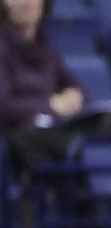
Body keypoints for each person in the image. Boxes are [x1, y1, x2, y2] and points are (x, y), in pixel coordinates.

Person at [0, 0, 88, 172]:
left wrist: (74, 96)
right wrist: (49, 106)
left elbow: (74, 87)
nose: (26, 2)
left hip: (48, 131)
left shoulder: (45, 46)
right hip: (17, 136)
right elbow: (3, 107)